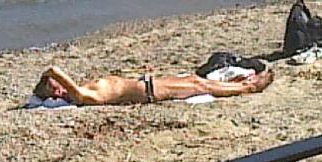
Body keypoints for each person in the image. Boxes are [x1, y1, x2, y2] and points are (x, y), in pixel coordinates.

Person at [31, 63, 273, 106]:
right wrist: (50, 76)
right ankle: (249, 88)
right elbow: (55, 69)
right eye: (54, 90)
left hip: (148, 83)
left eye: (55, 86)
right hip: (149, 91)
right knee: (201, 87)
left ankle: (237, 84)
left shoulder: (81, 90)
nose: (59, 88)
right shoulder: (80, 96)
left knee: (196, 80)